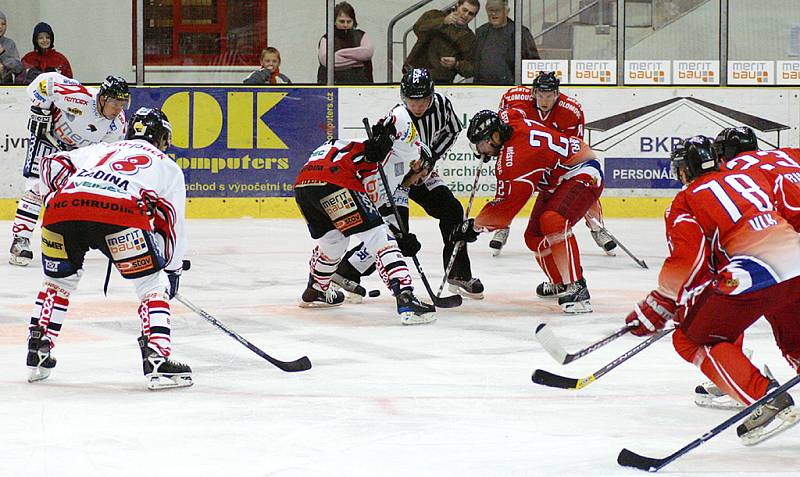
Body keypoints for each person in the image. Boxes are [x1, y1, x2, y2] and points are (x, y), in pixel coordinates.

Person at [623, 136, 800, 445]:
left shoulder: (685, 200)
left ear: (683, 171)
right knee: (794, 336)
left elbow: (688, 260)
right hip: (795, 256)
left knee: (690, 339)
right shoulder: (746, 179)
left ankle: (765, 398)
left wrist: (660, 303)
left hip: (757, 269)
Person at [27, 107, 192, 390]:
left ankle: (39, 349)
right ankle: (156, 357)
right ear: (163, 138)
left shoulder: (103, 149)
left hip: (61, 209)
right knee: (152, 283)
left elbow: (50, 163)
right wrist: (172, 272)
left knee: (57, 282)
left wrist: (56, 198)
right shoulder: (168, 166)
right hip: (120, 213)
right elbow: (171, 225)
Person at [332, 68, 484, 300]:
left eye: (423, 99)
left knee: (453, 211)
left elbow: (453, 131)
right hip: (397, 178)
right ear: (404, 97)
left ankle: (458, 273)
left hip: (422, 172)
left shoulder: (442, 105)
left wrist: (431, 157)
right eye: (413, 100)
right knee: (396, 233)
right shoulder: (396, 117)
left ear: (431, 95)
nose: (418, 105)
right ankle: (347, 271)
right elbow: (380, 151)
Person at [452, 108, 604, 313]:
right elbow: (512, 112)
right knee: (534, 236)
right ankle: (560, 282)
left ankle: (577, 288)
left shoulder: (514, 159)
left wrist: (474, 227)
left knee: (553, 220)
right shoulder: (508, 121)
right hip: (560, 178)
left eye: (482, 144)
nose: (481, 151)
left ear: (495, 136)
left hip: (584, 172)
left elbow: (506, 207)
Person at [294, 109, 436, 325]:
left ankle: (315, 290)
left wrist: (399, 235)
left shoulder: (378, 162)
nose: (418, 180)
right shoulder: (407, 155)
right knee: (380, 237)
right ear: (419, 163)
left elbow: (368, 214)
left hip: (306, 183)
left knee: (334, 243)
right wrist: (387, 133)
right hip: (336, 178)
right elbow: (399, 116)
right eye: (422, 174)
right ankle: (406, 298)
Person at [691, 127, 800, 409]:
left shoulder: (733, 174)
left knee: (740, 299)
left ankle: (734, 376)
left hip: (785, 253)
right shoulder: (788, 155)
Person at [490, 71, 616, 260]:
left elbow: (575, 150)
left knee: (579, 186)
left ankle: (597, 227)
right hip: (525, 155)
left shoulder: (571, 110)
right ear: (533, 92)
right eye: (540, 95)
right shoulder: (514, 98)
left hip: (557, 160)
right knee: (509, 184)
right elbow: (503, 129)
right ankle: (502, 226)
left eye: (549, 95)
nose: (544, 100)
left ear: (557, 94)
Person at [9, 73, 129, 266]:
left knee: (76, 195)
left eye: (122, 104)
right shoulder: (78, 96)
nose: (118, 109)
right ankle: (20, 240)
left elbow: (104, 153)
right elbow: (43, 83)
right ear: (102, 97)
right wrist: (42, 109)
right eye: (115, 102)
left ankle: (72, 240)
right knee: (35, 188)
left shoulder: (117, 124)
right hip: (48, 139)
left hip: (74, 154)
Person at [405, 0, 480, 84]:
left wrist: (456, 64)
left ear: (473, 17)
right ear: (457, 6)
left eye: (471, 14)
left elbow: (471, 69)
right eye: (464, 10)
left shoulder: (469, 38)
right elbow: (418, 28)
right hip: (416, 72)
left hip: (442, 80)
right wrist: (442, 21)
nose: (466, 15)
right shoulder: (434, 15)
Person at [472, 0, 539, 85]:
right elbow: (474, 60)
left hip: (511, 87)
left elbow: (533, 62)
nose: (493, 14)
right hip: (482, 87)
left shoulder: (520, 32)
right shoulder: (481, 32)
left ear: (506, 11)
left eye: (497, 10)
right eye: (490, 10)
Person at [317, 1, 374, 84]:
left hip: (361, 86)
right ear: (334, 21)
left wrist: (339, 54)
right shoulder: (327, 38)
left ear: (353, 21)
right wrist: (359, 60)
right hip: (333, 87)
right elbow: (326, 61)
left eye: (349, 21)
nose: (345, 25)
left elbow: (368, 53)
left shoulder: (361, 35)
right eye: (342, 21)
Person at [0, 10, 23, 83]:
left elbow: (18, 69)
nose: (0, 27)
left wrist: (3, 54)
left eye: (3, 24)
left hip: (6, 89)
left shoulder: (9, 43)